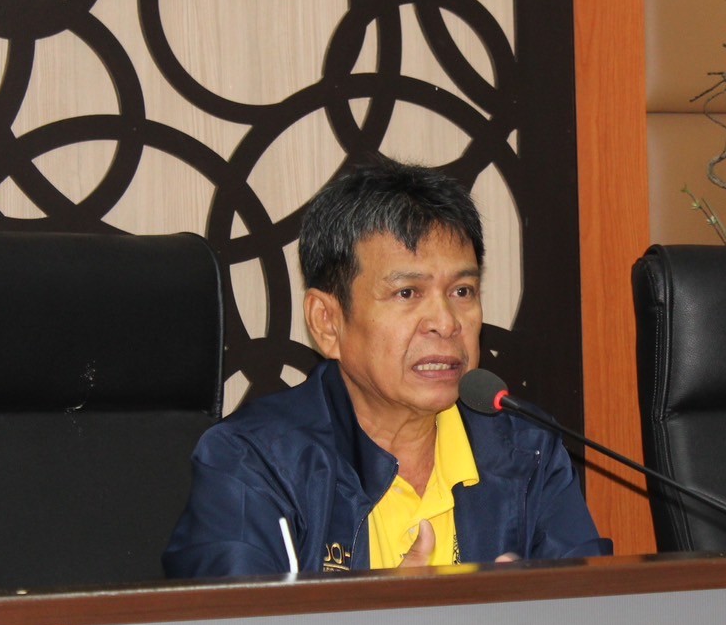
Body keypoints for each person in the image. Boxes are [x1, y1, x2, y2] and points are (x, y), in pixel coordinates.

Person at [164, 158, 608, 577]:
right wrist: (383, 615)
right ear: (327, 322)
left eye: (462, 291)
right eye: (407, 293)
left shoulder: (527, 451)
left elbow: (594, 616)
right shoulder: (254, 463)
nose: (446, 323)